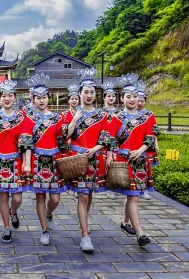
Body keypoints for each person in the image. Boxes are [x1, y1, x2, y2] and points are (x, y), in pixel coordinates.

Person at [64, 68, 112, 253]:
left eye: (92, 92)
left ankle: (84, 220)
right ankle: (85, 235)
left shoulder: (102, 115)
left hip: (94, 159)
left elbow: (106, 138)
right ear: (80, 94)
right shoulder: (74, 114)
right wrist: (75, 119)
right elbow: (65, 137)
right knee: (83, 196)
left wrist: (97, 149)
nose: (89, 95)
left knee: (89, 195)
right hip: (78, 159)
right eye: (86, 92)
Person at [107, 73, 155, 247]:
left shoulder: (147, 117)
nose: (133, 99)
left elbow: (150, 138)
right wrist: (112, 155)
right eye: (129, 96)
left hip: (140, 160)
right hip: (124, 161)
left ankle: (125, 222)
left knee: (132, 196)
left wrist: (141, 150)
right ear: (122, 98)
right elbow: (111, 140)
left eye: (135, 96)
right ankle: (140, 233)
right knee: (133, 197)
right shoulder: (117, 118)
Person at [0, 80, 32, 243]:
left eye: (10, 95)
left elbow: (25, 143)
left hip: (15, 161)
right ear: (0, 99)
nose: (7, 98)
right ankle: (6, 228)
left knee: (17, 198)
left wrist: (26, 163)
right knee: (3, 196)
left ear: (15, 98)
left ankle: (13, 211)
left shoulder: (21, 118)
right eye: (4, 95)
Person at [24, 74, 67, 245]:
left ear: (48, 98)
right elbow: (27, 143)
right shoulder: (29, 119)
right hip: (37, 160)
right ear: (33, 99)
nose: (41, 101)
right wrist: (27, 164)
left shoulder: (57, 118)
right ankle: (44, 228)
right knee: (40, 197)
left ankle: (49, 214)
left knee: (55, 199)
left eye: (44, 97)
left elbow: (63, 140)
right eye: (38, 98)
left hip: (54, 160)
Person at [136, 82, 160, 200]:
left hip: (147, 145)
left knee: (146, 168)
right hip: (134, 145)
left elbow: (154, 131)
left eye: (142, 101)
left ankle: (144, 190)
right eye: (138, 100)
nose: (139, 103)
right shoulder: (130, 114)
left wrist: (156, 144)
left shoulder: (149, 114)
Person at [101, 81, 120, 200]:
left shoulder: (120, 113)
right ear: (104, 98)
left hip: (116, 142)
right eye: (108, 96)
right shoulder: (100, 113)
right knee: (103, 164)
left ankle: (112, 187)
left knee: (113, 164)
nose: (111, 98)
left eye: (113, 96)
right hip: (102, 142)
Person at [61, 85, 80, 197]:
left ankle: (76, 187)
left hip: (78, 142)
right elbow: (63, 130)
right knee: (68, 165)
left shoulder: (82, 113)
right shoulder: (63, 115)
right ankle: (68, 185)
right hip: (67, 142)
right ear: (68, 100)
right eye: (72, 99)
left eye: (76, 99)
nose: (74, 101)